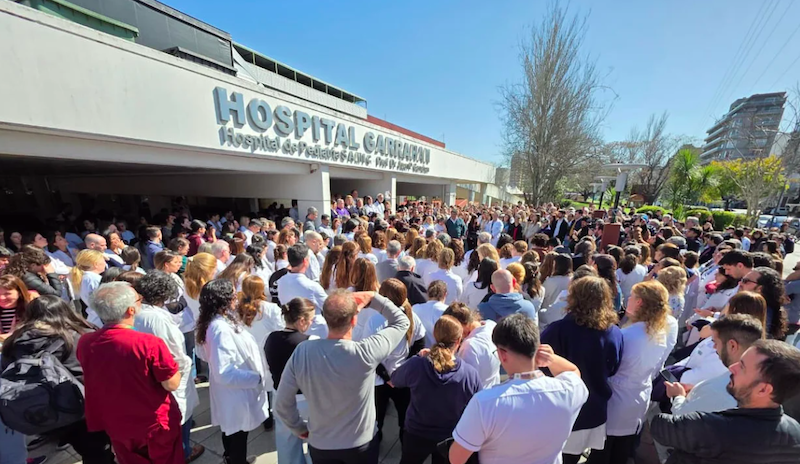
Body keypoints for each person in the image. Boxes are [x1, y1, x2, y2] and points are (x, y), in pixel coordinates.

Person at [274, 290, 410, 463]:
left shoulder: (303, 351)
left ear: (325, 318)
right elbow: (401, 322)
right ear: (354, 320)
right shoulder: (366, 352)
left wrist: (300, 429)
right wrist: (374, 298)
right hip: (361, 445)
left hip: (321, 444)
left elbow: (282, 404)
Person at [449, 314, 589, 464]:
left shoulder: (485, 403)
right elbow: (574, 372)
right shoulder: (567, 391)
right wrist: (551, 359)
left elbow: (456, 458)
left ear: (502, 355)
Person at [1, 295, 115, 463]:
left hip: (38, 410)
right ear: (65, 310)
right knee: (97, 455)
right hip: (83, 407)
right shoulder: (82, 335)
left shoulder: (16, 340)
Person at [78, 282, 183, 464]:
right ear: (130, 310)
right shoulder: (148, 343)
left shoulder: (85, 341)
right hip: (152, 423)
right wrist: (179, 366)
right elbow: (171, 383)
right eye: (138, 299)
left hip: (116, 422)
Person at [652, 339, 800, 463]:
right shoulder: (795, 434)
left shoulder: (714, 428)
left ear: (763, 390)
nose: (732, 368)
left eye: (742, 367)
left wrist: (679, 397)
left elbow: (660, 425)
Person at [541, 276, 623, 464]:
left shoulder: (558, 330)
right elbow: (613, 368)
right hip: (595, 409)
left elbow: (541, 366)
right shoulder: (614, 332)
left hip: (564, 411)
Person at [594, 280, 672, 464]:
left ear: (640, 303)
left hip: (617, 399)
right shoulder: (659, 334)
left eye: (632, 297)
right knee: (622, 451)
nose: (628, 299)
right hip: (638, 398)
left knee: (603, 452)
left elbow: (610, 367)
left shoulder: (626, 335)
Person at [195, 279, 270, 464]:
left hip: (231, 391)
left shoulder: (214, 321)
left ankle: (230, 458)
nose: (236, 298)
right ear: (224, 300)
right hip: (236, 391)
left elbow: (205, 354)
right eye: (232, 295)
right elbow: (224, 372)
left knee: (231, 430)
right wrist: (256, 378)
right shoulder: (220, 328)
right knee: (238, 435)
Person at [133, 271, 203, 463]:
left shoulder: (139, 311)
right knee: (180, 417)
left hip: (152, 375)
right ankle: (184, 452)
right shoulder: (158, 319)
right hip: (171, 375)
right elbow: (174, 352)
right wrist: (184, 365)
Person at [391, 315, 481, 464]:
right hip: (449, 436)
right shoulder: (469, 375)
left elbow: (395, 379)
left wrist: (417, 357)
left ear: (434, 335)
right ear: (458, 340)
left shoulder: (417, 365)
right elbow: (478, 408)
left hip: (416, 432)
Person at [664, 313, 764, 418]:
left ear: (732, 346)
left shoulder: (724, 387)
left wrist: (677, 395)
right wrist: (696, 390)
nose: (714, 347)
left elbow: (682, 415)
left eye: (715, 343)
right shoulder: (757, 376)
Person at [265, 298, 316, 464]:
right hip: (305, 401)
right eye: (311, 320)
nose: (312, 323)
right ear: (302, 321)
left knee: (286, 446)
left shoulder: (270, 338)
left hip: (280, 397)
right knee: (314, 444)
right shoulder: (311, 342)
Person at [276, 243, 329, 338]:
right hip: (314, 332)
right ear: (305, 261)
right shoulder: (312, 286)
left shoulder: (281, 281)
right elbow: (329, 307)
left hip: (291, 330)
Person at [444, 302, 501, 389]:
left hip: (477, 398)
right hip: (494, 390)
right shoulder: (492, 325)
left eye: (453, 327)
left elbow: (465, 383)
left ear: (462, 325)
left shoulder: (469, 347)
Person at [70, 249, 106, 326]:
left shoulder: (85, 277)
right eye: (103, 260)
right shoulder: (94, 279)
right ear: (96, 264)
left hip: (94, 318)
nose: (105, 263)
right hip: (100, 319)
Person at [412, 281, 449, 348]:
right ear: (445, 294)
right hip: (439, 353)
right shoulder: (448, 311)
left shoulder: (415, 308)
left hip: (417, 351)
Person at [0, 274, 35, 340]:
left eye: (7, 293)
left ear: (19, 292)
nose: (2, 298)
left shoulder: (30, 310)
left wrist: (13, 336)